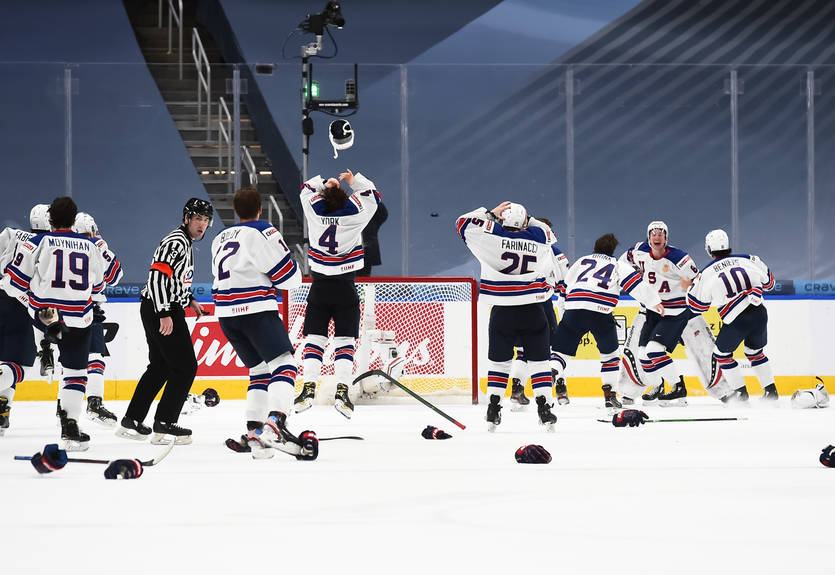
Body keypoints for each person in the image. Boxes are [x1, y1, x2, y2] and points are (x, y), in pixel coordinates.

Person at [4, 197, 107, 450]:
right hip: (79, 319)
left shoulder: (37, 243)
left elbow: (14, 282)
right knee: (75, 373)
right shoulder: (91, 246)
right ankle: (70, 426)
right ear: (74, 220)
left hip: (45, 316)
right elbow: (99, 287)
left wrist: (37, 297)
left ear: (49, 220)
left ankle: (45, 347)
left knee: (23, 360)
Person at [211, 187, 306, 456]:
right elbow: (289, 277)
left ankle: (255, 435)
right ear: (260, 209)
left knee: (259, 371)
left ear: (236, 210)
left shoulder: (219, 238)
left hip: (226, 315)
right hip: (256, 311)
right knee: (284, 364)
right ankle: (276, 421)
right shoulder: (263, 231)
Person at [456, 201, 562, 432]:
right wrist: (527, 218)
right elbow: (548, 233)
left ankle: (493, 408)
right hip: (533, 310)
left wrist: (491, 214)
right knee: (540, 363)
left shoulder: (491, 237)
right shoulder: (538, 236)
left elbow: (462, 224)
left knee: (499, 363)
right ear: (525, 222)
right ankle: (544, 408)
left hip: (503, 311)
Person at [116, 198, 212, 445]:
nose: (202, 224)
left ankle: (133, 420)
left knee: (161, 366)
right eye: (198, 218)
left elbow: (174, 280)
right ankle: (165, 423)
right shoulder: (176, 242)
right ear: (187, 218)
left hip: (158, 306)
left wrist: (188, 298)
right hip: (161, 308)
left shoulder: (184, 242)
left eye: (205, 220)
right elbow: (158, 278)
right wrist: (164, 313)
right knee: (185, 367)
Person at [294, 169, 381, 418]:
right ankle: (342, 392)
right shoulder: (355, 215)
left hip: (320, 287)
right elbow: (372, 196)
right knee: (345, 343)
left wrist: (325, 184)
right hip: (345, 287)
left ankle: (308, 390)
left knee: (315, 341)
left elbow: (305, 190)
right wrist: (354, 181)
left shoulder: (314, 211)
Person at [550, 233, 664, 411]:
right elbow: (635, 285)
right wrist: (654, 302)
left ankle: (553, 371)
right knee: (609, 357)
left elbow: (565, 288)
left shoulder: (581, 261)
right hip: (601, 312)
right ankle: (610, 396)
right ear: (612, 250)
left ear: (595, 247)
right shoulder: (618, 264)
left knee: (560, 353)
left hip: (574, 308)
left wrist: (565, 314)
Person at [686, 229, 777, 402]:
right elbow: (770, 283)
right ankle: (771, 392)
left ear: (709, 249)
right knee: (755, 351)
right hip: (759, 314)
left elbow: (698, 306)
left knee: (722, 354)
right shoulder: (750, 259)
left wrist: (689, 288)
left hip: (737, 319)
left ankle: (741, 395)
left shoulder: (706, 273)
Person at [619, 221, 700, 406]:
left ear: (666, 238)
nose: (657, 237)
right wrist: (633, 272)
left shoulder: (680, 258)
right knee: (642, 355)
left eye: (661, 234)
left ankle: (678, 387)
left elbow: (698, 279)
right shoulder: (639, 250)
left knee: (654, 351)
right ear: (649, 237)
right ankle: (658, 386)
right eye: (653, 234)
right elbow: (622, 262)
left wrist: (691, 286)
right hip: (652, 311)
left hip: (675, 312)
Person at [508, 216, 571, 407]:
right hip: (541, 302)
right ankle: (560, 388)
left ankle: (516, 390)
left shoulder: (515, 247)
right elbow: (565, 281)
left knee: (522, 350)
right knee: (553, 349)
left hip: (516, 304)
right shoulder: (553, 251)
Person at [0, 204, 50, 435]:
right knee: (21, 363)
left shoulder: (11, 233)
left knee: (6, 359)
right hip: (22, 306)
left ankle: (2, 407)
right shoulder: (49, 244)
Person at [72, 212, 123, 426]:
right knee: (95, 357)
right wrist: (100, 245)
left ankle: (62, 410)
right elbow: (115, 275)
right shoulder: (95, 244)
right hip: (89, 308)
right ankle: (94, 403)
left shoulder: (61, 244)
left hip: (63, 308)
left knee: (69, 364)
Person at [357, 201, 388, 277]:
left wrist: (371, 197)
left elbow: (383, 213)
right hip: (351, 254)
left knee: (364, 281)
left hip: (366, 253)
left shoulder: (372, 222)